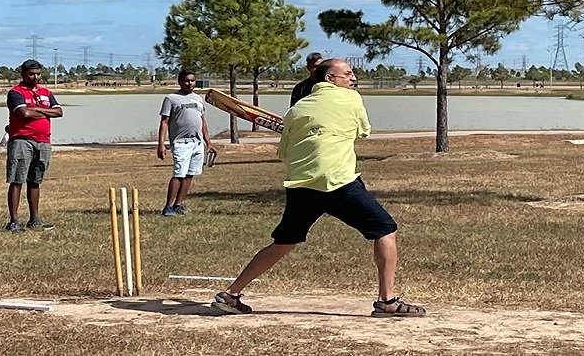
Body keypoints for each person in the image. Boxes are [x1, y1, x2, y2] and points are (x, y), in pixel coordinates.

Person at [212, 58, 426, 318]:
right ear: (329, 78)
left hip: (301, 185)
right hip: (338, 182)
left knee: (284, 242)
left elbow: (284, 152)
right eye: (347, 74)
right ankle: (387, 302)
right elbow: (363, 131)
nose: (353, 78)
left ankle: (231, 295)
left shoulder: (297, 110)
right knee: (385, 230)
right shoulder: (351, 98)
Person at [4, 59, 63, 232]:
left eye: (38, 74)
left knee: (35, 181)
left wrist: (36, 110)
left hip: (43, 141)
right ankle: (14, 221)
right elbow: (24, 113)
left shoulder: (46, 92)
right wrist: (46, 112)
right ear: (23, 74)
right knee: (17, 180)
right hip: (22, 140)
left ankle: (34, 219)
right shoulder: (16, 93)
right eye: (31, 74)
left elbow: (59, 112)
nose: (35, 77)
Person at [156, 69, 216, 217]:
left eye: (192, 80)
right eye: (186, 81)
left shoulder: (198, 99)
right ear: (180, 82)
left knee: (190, 174)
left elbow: (202, 122)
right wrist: (161, 144)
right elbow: (164, 122)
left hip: (197, 143)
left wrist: (208, 143)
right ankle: (168, 207)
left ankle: (178, 204)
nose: (190, 83)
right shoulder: (171, 99)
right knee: (179, 174)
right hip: (181, 143)